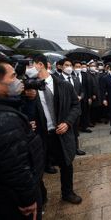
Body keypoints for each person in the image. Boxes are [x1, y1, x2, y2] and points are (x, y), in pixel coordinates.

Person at [0, 55, 44, 219]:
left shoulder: (9, 105)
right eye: (13, 77)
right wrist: (28, 199)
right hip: (16, 200)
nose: (19, 81)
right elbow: (15, 167)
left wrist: (28, 100)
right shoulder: (5, 119)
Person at [33, 54, 82, 204]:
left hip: (61, 132)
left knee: (66, 164)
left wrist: (67, 122)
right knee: (37, 169)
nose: (27, 69)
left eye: (30, 65)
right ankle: (41, 196)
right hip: (39, 136)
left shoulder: (63, 85)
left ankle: (67, 192)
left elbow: (76, 105)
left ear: (40, 64)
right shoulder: (27, 89)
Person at [61, 58, 86, 156]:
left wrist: (81, 96)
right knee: (66, 131)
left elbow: (82, 90)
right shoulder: (58, 80)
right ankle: (65, 150)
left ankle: (76, 148)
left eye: (70, 65)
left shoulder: (75, 78)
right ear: (61, 67)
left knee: (75, 130)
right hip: (65, 110)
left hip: (75, 109)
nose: (69, 67)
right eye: (66, 65)